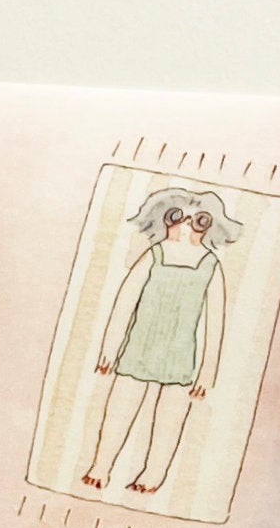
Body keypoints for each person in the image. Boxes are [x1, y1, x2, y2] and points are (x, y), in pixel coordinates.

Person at [82, 186, 238, 498]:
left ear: (211, 227)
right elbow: (125, 302)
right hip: (139, 347)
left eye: (199, 221)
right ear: (162, 220)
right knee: (119, 409)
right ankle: (101, 467)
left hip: (180, 355)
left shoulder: (210, 265)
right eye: (177, 218)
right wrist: (109, 349)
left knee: (170, 419)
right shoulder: (153, 255)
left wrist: (208, 372)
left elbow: (215, 323)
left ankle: (153, 476)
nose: (186, 228)